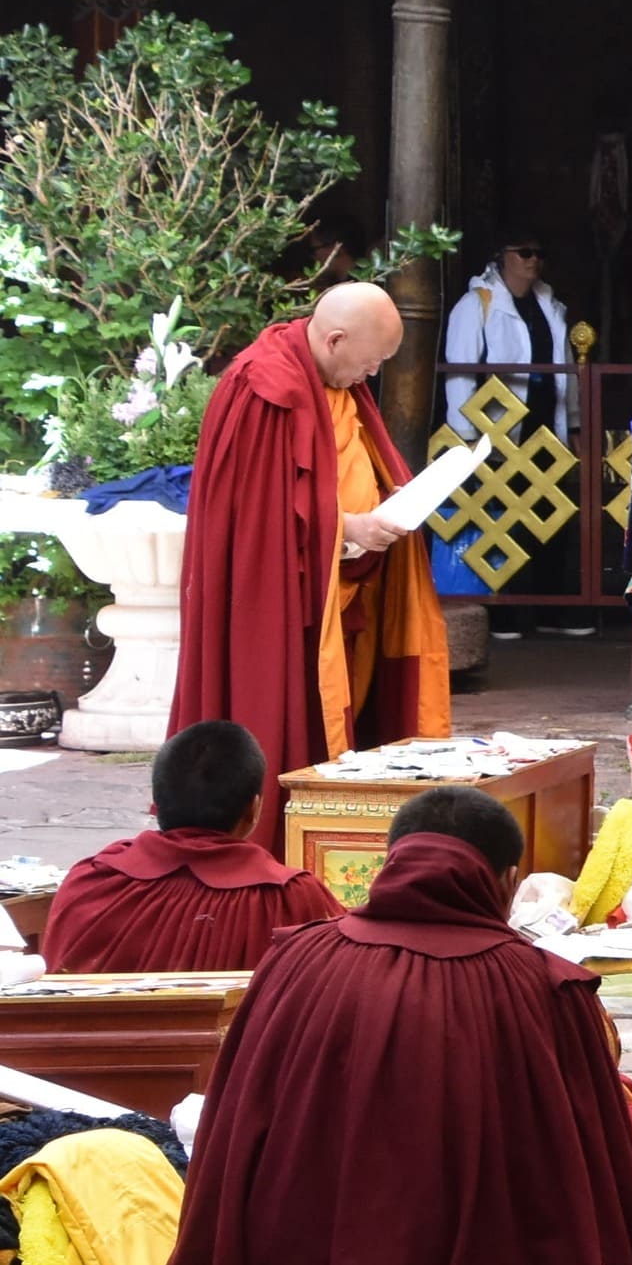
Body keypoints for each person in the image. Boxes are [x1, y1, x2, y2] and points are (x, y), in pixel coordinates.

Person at [162, 789, 632, 1265]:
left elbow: (234, 1129)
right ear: (507, 882)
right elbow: (591, 1169)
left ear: (390, 863)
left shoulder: (293, 962)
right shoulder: (544, 985)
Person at [170, 283, 451, 849]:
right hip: (277, 605)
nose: (372, 375)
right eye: (370, 361)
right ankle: (278, 844)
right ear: (335, 338)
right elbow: (255, 521)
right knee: (285, 720)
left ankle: (340, 841)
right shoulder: (262, 388)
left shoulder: (334, 379)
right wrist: (348, 528)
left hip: (343, 591)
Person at [38, 721, 337, 973]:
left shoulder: (92, 882)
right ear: (254, 808)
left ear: (155, 802)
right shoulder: (292, 898)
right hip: (235, 1046)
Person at [440, 239, 574, 446]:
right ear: (502, 256)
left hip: (546, 426)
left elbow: (567, 369)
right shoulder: (475, 304)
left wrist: (574, 423)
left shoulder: (551, 307)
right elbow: (460, 373)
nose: (534, 260)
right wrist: (464, 435)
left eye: (540, 254)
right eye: (525, 253)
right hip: (496, 431)